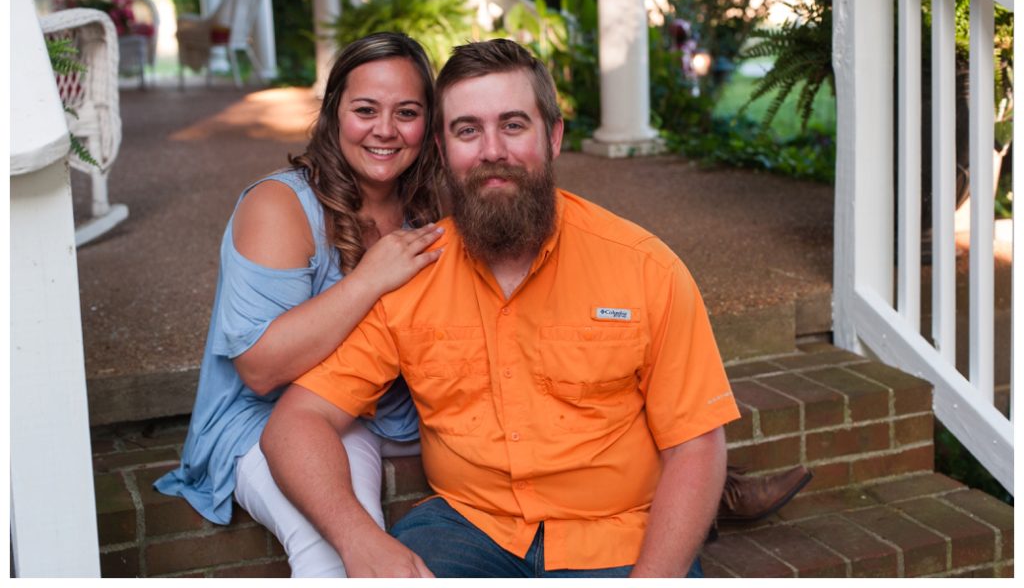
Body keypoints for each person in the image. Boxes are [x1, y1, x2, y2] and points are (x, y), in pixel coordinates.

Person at [261, 38, 747, 578]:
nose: (492, 150)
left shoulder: (645, 269)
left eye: (513, 125)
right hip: (467, 528)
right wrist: (358, 539)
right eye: (468, 130)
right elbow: (294, 424)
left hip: (616, 538)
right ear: (443, 150)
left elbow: (697, 446)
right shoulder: (412, 275)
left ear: (554, 137)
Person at [153, 32, 447, 577]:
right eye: (365, 110)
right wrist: (369, 279)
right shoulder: (281, 205)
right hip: (264, 418)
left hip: (372, 413)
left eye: (406, 112)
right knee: (334, 551)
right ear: (334, 113)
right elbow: (262, 370)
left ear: (428, 125)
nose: (385, 130)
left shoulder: (430, 206)